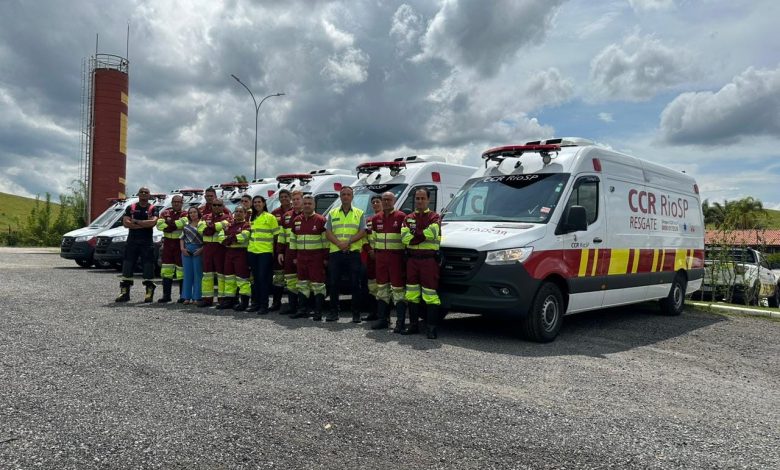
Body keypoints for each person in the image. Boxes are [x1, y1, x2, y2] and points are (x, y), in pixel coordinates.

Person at [401, 189, 442, 339]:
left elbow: (432, 234)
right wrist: (422, 235)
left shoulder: (435, 217)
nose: (419, 201)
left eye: (422, 198)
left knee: (430, 294)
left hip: (428, 260)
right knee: (411, 294)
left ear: (428, 200)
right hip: (412, 260)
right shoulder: (408, 218)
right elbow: (404, 238)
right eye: (417, 198)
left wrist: (414, 235)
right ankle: (413, 325)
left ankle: (431, 328)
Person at [325, 186, 366, 323]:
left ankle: (356, 314)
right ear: (340, 196)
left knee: (355, 284)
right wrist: (339, 244)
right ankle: (333, 312)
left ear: (352, 197)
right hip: (336, 253)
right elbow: (328, 232)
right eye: (343, 194)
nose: (346, 196)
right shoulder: (332, 213)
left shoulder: (359, 213)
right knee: (333, 283)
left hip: (353, 253)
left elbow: (362, 232)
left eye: (348, 194)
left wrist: (348, 242)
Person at [370, 192, 408, 331]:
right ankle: (383, 320)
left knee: (398, 290)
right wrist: (373, 251)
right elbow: (372, 238)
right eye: (384, 199)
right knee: (382, 289)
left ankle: (400, 322)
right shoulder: (376, 219)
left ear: (394, 201)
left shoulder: (401, 217)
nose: (386, 202)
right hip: (381, 259)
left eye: (389, 200)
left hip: (396, 259)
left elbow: (406, 238)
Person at [115, 187, 159, 303]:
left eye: (146, 192)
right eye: (141, 192)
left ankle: (149, 293)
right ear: (138, 194)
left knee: (148, 267)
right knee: (127, 266)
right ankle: (125, 293)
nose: (144, 194)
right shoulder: (131, 207)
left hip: (147, 243)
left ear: (149, 195)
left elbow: (152, 223)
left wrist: (136, 221)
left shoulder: (153, 208)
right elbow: (126, 223)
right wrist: (143, 224)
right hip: (132, 242)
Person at [289, 194, 328, 320]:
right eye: (305, 203)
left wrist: (325, 258)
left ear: (314, 205)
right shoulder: (296, 220)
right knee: (302, 283)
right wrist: (294, 256)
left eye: (309, 203)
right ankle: (302, 310)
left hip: (316, 257)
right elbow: (293, 240)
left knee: (318, 285)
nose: (307, 206)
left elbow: (326, 242)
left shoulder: (321, 220)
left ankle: (318, 312)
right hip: (301, 257)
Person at [198, 190, 232, 307]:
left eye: (219, 205)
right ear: (211, 206)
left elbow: (222, 229)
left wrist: (210, 228)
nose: (216, 207)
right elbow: (201, 230)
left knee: (221, 274)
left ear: (223, 206)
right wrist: (215, 228)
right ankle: (207, 299)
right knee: (207, 274)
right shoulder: (205, 216)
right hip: (207, 248)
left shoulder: (227, 217)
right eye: (214, 205)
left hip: (220, 248)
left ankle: (222, 298)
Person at [247, 195, 280, 314]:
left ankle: (264, 305)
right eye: (255, 202)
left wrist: (275, 252)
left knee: (263, 279)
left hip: (265, 252)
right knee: (255, 279)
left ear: (264, 203)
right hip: (252, 251)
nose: (257, 204)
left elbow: (276, 236)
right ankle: (255, 304)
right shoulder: (251, 217)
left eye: (259, 202)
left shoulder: (270, 217)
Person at [218, 205, 252, 311]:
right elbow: (220, 238)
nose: (238, 213)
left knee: (242, 279)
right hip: (229, 253)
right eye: (236, 211)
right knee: (229, 278)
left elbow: (243, 237)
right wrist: (232, 238)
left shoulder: (247, 225)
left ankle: (244, 302)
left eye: (241, 211)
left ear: (245, 213)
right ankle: (230, 301)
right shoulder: (229, 225)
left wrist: (229, 238)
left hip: (241, 253)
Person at [155, 194, 188, 303]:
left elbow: (183, 223)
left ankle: (183, 296)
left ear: (182, 203)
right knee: (166, 270)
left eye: (178, 202)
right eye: (174, 202)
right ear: (172, 203)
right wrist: (174, 225)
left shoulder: (185, 213)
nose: (176, 204)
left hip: (179, 243)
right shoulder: (165, 212)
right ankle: (166, 296)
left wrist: (169, 224)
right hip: (168, 244)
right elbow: (159, 225)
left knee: (181, 270)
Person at [277, 190, 304, 314]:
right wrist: (280, 252)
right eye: (294, 199)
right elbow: (281, 235)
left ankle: (304, 306)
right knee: (290, 278)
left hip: (303, 250)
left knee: (303, 279)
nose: (296, 201)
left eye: (298, 199)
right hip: (289, 251)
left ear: (302, 200)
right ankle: (292, 306)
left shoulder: (307, 214)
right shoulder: (287, 215)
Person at [361, 195, 383, 321]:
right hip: (371, 257)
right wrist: (369, 250)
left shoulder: (386, 219)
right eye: (373, 202)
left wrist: (378, 252)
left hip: (383, 256)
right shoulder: (368, 221)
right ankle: (373, 312)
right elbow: (364, 239)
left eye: (377, 202)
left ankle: (383, 315)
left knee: (383, 286)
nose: (375, 204)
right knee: (371, 285)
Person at [270, 189, 293, 311]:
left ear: (290, 197)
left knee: (292, 278)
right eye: (281, 197)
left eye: (286, 196)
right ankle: (276, 302)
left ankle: (292, 304)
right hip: (278, 247)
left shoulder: (295, 211)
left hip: (291, 248)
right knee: (278, 277)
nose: (284, 199)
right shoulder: (275, 213)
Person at [180, 206, 204, 305]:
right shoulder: (186, 226)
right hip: (186, 251)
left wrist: (201, 250)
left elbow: (207, 239)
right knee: (187, 274)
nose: (192, 214)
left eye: (194, 212)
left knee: (198, 274)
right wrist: (182, 249)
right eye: (190, 213)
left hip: (198, 250)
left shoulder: (202, 225)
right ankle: (186, 297)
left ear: (198, 213)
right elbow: (182, 238)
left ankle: (197, 297)